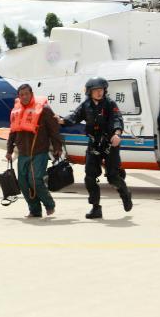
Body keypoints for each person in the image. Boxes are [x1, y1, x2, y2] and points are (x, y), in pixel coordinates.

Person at [57, 76, 133, 219]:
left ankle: (125, 194)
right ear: (90, 92)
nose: (99, 92)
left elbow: (117, 118)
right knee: (90, 177)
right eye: (96, 90)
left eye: (101, 90)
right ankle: (96, 208)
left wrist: (117, 133)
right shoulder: (86, 105)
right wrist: (61, 120)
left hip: (110, 143)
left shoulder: (110, 104)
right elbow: (74, 117)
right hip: (94, 144)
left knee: (112, 177)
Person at [5, 83, 64, 218]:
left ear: (31, 94)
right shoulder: (17, 111)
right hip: (23, 153)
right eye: (21, 95)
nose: (24, 97)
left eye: (27, 94)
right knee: (23, 183)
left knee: (35, 180)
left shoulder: (44, 110)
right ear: (18, 97)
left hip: (40, 152)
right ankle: (35, 210)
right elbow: (12, 132)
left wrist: (57, 147)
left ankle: (49, 204)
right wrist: (9, 150)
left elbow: (54, 130)